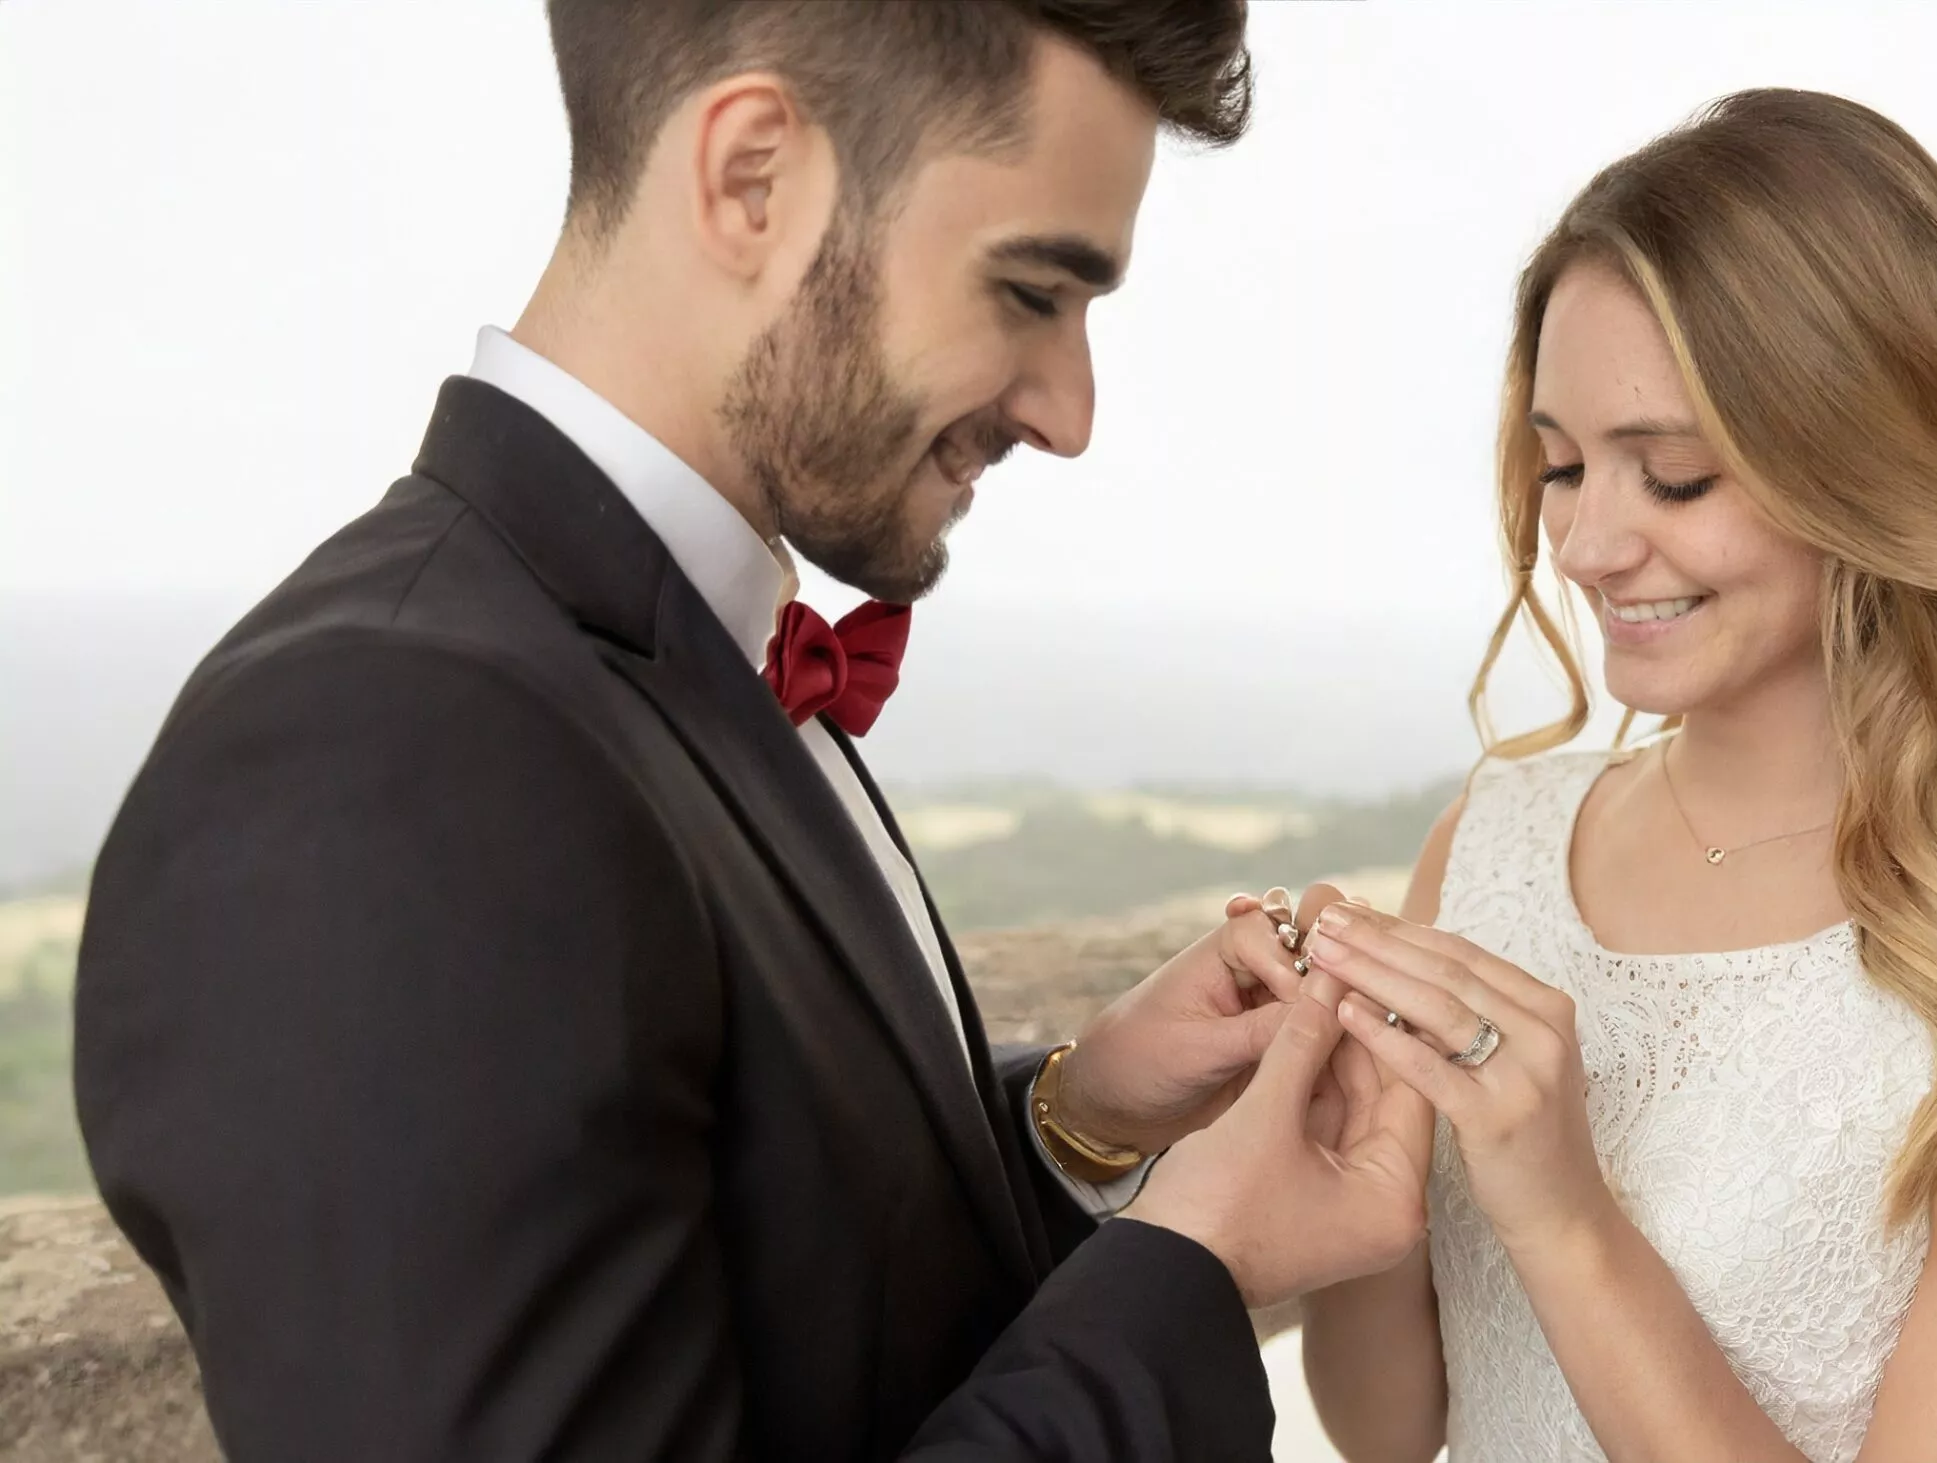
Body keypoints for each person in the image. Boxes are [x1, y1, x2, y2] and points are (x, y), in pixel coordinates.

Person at [72, 4, 1428, 1459]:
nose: (1072, 412)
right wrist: (1200, 1271)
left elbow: (811, 1297)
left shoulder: (670, 650)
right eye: (1034, 291)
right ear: (752, 178)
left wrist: (1079, 1120)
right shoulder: (379, 760)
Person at [1296, 88, 1937, 1463]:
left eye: (1677, 477)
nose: (1582, 547)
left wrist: (1565, 1214)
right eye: (1564, 465)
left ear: (1872, 463)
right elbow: (1391, 1428)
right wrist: (1358, 1162)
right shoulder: (1493, 842)